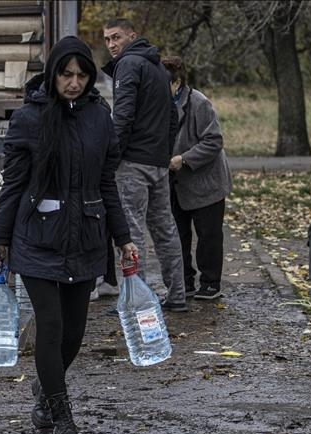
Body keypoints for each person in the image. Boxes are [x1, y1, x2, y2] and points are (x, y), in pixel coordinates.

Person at [0, 36, 138, 434]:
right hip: (37, 238)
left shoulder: (99, 119)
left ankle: (44, 389)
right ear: (52, 74)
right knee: (50, 327)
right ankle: (62, 418)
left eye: (82, 75)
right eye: (66, 74)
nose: (74, 82)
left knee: (73, 334)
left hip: (86, 236)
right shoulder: (28, 119)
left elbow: (107, 184)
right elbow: (13, 185)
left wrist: (123, 238)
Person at [101, 19, 187, 312]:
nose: (111, 44)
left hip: (133, 164)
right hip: (157, 163)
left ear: (132, 36)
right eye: (107, 39)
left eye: (116, 37)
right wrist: (164, 153)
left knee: (131, 232)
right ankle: (177, 295)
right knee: (165, 229)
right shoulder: (159, 68)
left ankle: (135, 303)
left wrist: (111, 158)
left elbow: (122, 116)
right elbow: (173, 117)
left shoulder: (128, 65)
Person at [162, 56, 232, 300]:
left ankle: (211, 283)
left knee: (208, 236)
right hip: (177, 183)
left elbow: (214, 140)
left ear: (177, 83)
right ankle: (184, 282)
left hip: (206, 182)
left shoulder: (199, 103)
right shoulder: (159, 104)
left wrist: (184, 159)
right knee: (177, 236)